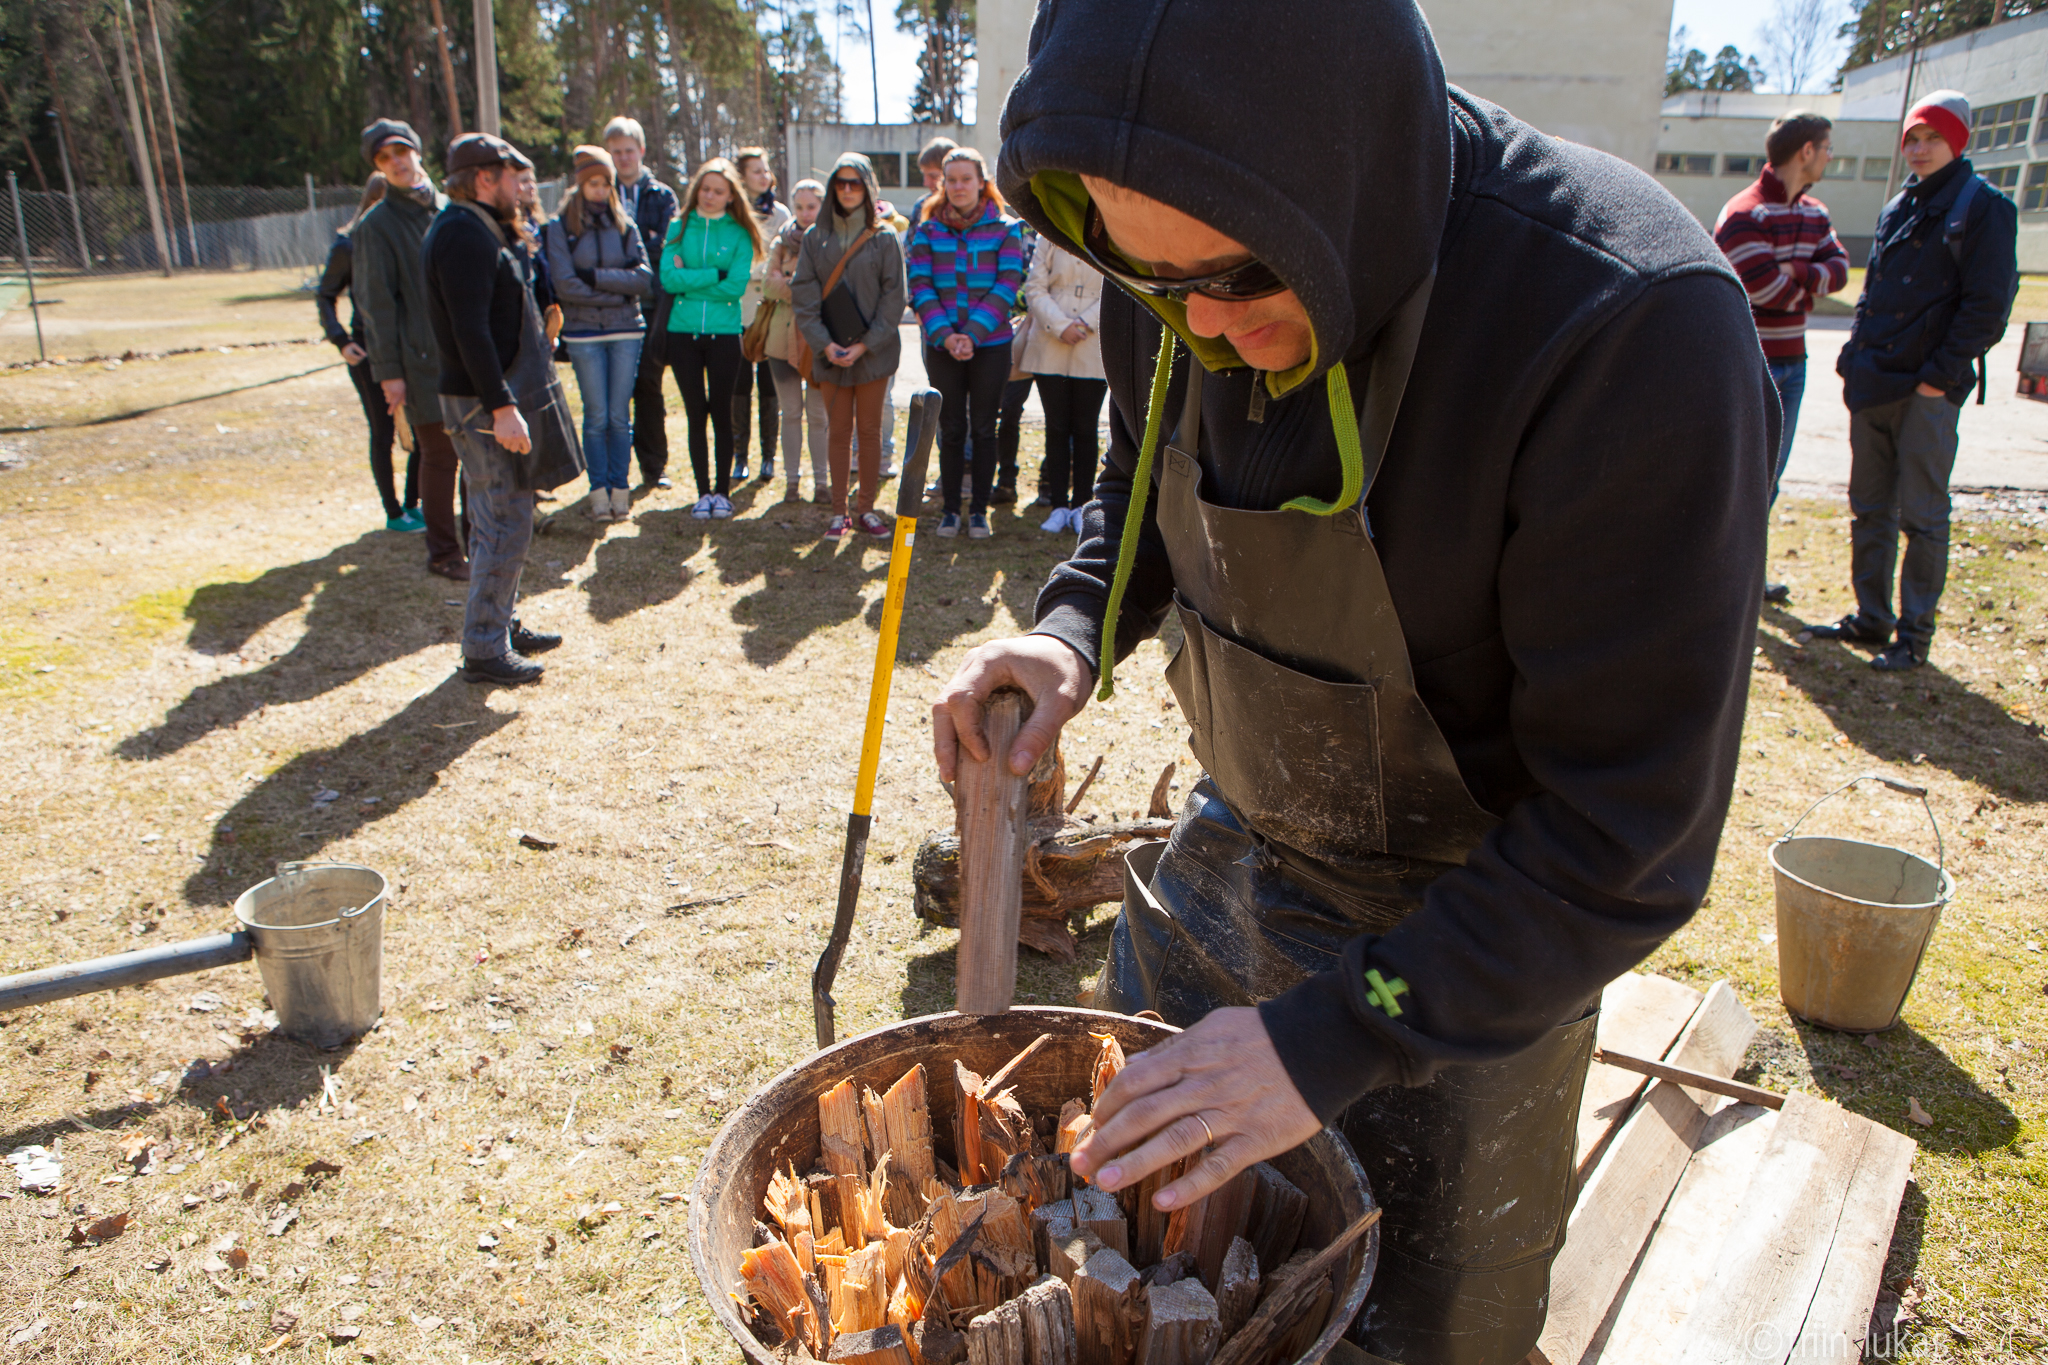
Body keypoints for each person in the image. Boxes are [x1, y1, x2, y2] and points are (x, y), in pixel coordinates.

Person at [932, 2, 1771, 1359]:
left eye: (1242, 282)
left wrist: (1332, 1037)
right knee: (1134, 1279)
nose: (1197, 326)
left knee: (1410, 1327)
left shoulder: (1625, 330)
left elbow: (1626, 836)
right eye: (1155, 289)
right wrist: (1070, 628)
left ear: (1348, 185)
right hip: (1236, 856)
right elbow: (1135, 500)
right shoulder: (1174, 269)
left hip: (1481, 940)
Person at [1810, 91, 2019, 672]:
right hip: (1872, 383)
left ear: (1958, 141)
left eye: (1931, 137)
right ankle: (1871, 618)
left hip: (1926, 391)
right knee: (1868, 507)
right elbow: (1872, 291)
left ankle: (1913, 636)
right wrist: (1852, 359)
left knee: (1922, 517)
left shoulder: (1983, 208)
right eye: (1912, 139)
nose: (1920, 149)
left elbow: (1987, 309)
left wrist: (1937, 380)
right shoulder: (1897, 206)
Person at [422, 132, 562, 687]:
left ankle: (499, 625)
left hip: (483, 397)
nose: (521, 188)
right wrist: (501, 406)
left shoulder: (476, 228)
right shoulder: (462, 235)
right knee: (504, 516)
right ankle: (484, 646)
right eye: (512, 178)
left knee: (496, 516)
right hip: (480, 403)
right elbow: (469, 330)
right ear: (485, 179)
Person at [1714, 109, 1850, 605]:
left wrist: (1798, 276)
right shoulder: (1744, 212)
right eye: (1827, 147)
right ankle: (1723, 578)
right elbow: (1764, 287)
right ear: (1806, 151)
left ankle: (1748, 580)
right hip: (1753, 361)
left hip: (1794, 363)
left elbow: (1839, 271)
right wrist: (1805, 276)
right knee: (1741, 480)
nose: (1830, 157)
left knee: (1769, 480)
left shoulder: (1815, 211)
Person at [352, 118, 467, 580]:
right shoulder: (376, 225)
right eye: (384, 158)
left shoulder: (449, 208)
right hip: (421, 362)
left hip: (467, 354)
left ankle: (483, 537)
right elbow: (376, 305)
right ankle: (443, 553)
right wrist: (389, 372)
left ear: (417, 152)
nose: (396, 162)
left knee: (478, 454)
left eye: (402, 151)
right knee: (439, 457)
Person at [906, 147, 1025, 539]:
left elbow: (1008, 282)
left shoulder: (1006, 229)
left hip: (990, 345)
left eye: (966, 179)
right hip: (942, 345)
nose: (958, 187)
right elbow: (920, 285)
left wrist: (971, 334)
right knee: (952, 427)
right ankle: (951, 509)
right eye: (951, 180)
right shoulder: (926, 230)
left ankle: (979, 511)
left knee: (984, 429)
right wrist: (948, 335)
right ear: (943, 184)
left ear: (981, 183)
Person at [791, 153, 907, 540]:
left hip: (873, 354)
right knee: (837, 431)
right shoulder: (814, 237)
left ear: (868, 187)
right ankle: (838, 513)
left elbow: (895, 298)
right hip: (830, 354)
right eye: (839, 183)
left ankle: (866, 510)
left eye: (854, 183)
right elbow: (804, 296)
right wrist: (824, 345)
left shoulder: (885, 237)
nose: (846, 189)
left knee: (870, 431)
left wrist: (865, 345)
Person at [547, 144, 654, 524]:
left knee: (618, 415)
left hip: (627, 331)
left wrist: (595, 279)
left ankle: (620, 489)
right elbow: (564, 283)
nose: (598, 189)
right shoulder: (560, 228)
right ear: (579, 185)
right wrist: (612, 289)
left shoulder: (627, 226)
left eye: (604, 183)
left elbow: (643, 279)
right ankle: (598, 493)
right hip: (583, 333)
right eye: (591, 183)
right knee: (596, 415)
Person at [316, 171, 423, 534]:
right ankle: (393, 512)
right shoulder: (350, 244)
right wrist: (341, 340)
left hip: (411, 349)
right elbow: (325, 294)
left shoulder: (411, 236)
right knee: (383, 431)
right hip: (368, 352)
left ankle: (413, 503)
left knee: (424, 430)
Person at [661, 157, 764, 520]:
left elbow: (735, 286)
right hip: (682, 333)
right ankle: (701, 492)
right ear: (696, 190)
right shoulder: (678, 226)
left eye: (718, 191)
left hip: (724, 333)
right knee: (695, 413)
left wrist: (692, 278)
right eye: (705, 189)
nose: (710, 196)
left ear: (731, 196)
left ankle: (722, 491)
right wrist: (712, 275)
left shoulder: (738, 233)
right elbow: (668, 281)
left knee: (722, 411)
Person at [606, 117, 679, 492]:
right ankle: (612, 471)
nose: (623, 158)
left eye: (628, 151)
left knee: (648, 383)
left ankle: (654, 466)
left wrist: (639, 252)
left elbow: (666, 249)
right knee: (614, 390)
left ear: (642, 151)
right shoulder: (602, 192)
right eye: (616, 152)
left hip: (652, 303)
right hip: (611, 306)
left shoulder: (661, 196)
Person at [1020, 237, 1106, 533]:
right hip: (1050, 339)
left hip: (1093, 341)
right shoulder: (1049, 235)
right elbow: (1034, 286)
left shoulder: (1108, 230)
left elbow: (1119, 285)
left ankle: (1082, 504)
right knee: (1056, 426)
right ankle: (1057, 504)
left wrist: (1084, 322)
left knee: (1085, 427)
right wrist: (1060, 325)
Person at [760, 178, 831, 502]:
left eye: (811, 207)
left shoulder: (832, 240)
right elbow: (768, 286)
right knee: (789, 412)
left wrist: (789, 282)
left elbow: (829, 290)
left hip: (818, 342)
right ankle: (791, 482)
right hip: (781, 338)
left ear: (822, 205)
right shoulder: (781, 242)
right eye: (799, 206)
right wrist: (803, 286)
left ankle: (821, 483)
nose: (804, 213)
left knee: (819, 415)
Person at [733, 147, 794, 482]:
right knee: (739, 386)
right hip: (738, 311)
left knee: (770, 387)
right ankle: (740, 456)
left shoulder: (781, 214)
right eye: (756, 171)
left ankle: (768, 457)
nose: (764, 176)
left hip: (771, 313)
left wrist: (764, 274)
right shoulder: (731, 212)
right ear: (741, 178)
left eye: (765, 170)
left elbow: (784, 262)